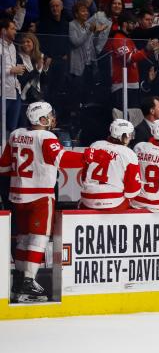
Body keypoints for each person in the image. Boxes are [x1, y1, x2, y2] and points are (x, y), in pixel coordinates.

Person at [0, 102, 111, 302]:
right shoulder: (46, 136)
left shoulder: (15, 134)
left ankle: (19, 281)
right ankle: (27, 281)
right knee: (39, 238)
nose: (52, 118)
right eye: (49, 115)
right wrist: (90, 155)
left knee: (23, 238)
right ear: (41, 119)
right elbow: (63, 159)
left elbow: (4, 167)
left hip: (17, 195)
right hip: (40, 195)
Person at [80, 119, 141, 211]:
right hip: (113, 202)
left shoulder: (95, 145)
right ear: (124, 136)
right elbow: (132, 190)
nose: (131, 138)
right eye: (129, 135)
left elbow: (84, 177)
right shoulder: (129, 153)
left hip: (88, 198)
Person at [1, 19, 24, 134]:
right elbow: (8, 69)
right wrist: (11, 70)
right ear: (4, 31)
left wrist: (16, 70)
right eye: (12, 29)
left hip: (15, 90)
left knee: (12, 128)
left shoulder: (13, 47)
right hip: (2, 92)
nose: (15, 31)